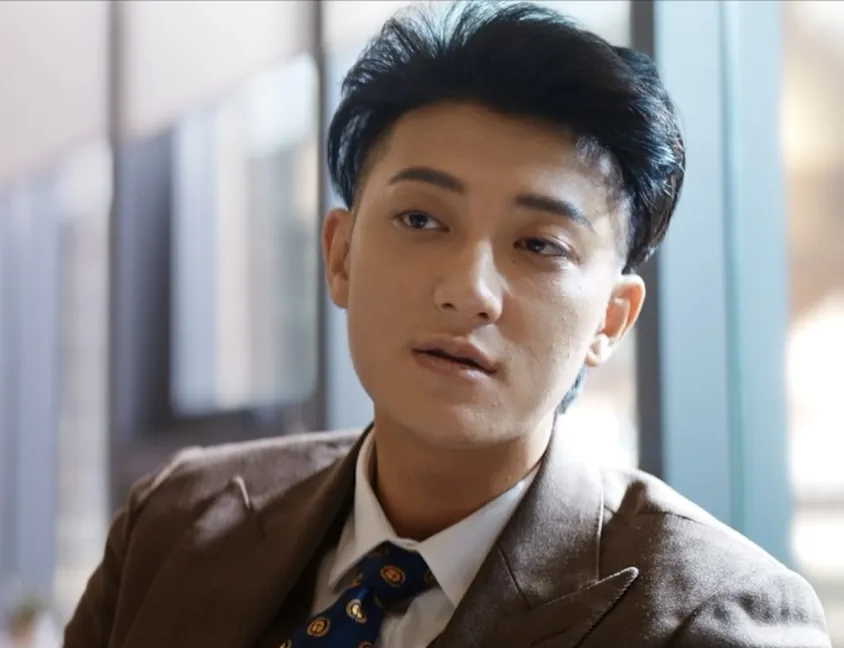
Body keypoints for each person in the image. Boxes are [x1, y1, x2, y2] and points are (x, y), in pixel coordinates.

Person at [64, 2, 830, 647]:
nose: (469, 291)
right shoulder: (174, 525)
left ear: (610, 318)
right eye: (421, 219)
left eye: (540, 245)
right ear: (340, 255)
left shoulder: (710, 619)